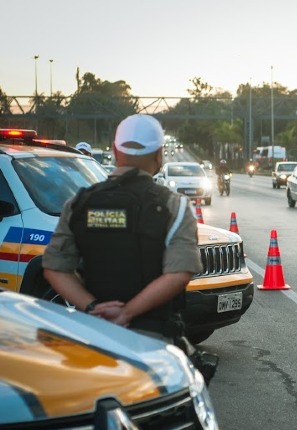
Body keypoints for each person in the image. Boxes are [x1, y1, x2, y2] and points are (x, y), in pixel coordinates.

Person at [42, 114, 214, 378]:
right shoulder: (174, 206)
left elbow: (55, 268)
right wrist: (127, 313)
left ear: (114, 150)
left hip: (96, 337)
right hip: (155, 343)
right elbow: (179, 273)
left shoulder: (79, 203)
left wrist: (92, 308)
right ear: (159, 155)